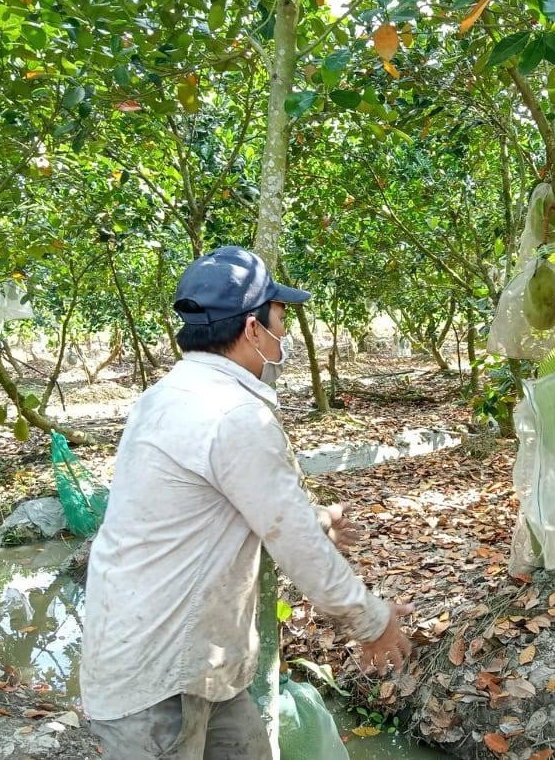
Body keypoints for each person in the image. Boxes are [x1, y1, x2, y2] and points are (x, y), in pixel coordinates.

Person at [81, 246, 412, 759]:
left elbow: (218, 507)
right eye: (280, 318)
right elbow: (294, 543)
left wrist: (318, 521)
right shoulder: (234, 415)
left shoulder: (168, 394)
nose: (285, 332)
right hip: (159, 678)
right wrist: (373, 622)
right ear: (254, 329)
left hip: (192, 658)